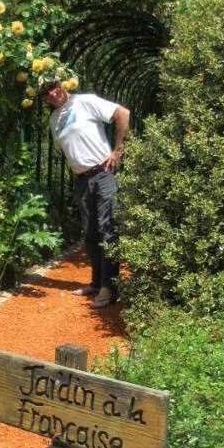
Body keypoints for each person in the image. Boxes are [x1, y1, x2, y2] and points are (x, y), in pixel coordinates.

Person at [40, 78, 130, 309]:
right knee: (90, 234)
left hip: (103, 173)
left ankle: (109, 288)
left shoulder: (85, 102)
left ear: (62, 85)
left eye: (54, 86)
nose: (52, 92)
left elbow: (123, 113)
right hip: (82, 180)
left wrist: (118, 150)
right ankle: (96, 282)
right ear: (44, 98)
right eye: (46, 91)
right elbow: (64, 149)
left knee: (108, 229)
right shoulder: (54, 120)